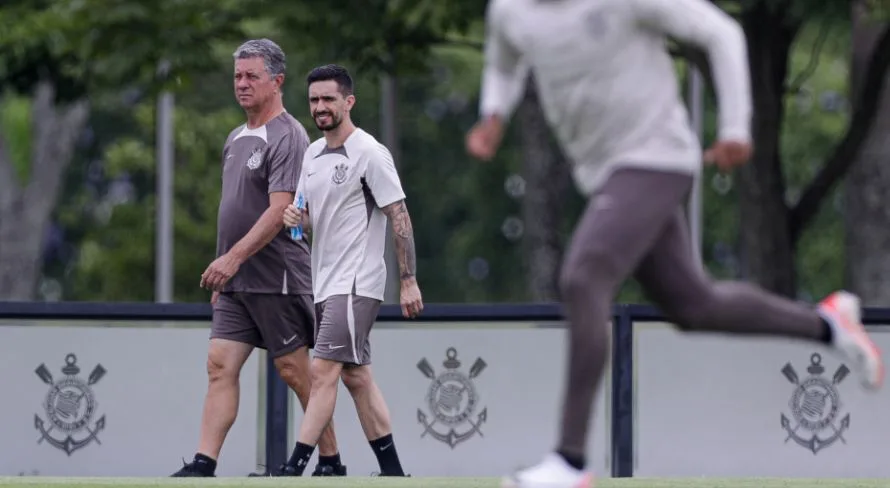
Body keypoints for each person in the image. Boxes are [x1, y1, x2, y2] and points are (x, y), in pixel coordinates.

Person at [465, 1, 885, 487]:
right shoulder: (510, 11)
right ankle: (828, 324)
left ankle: (570, 462)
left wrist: (734, 128)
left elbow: (721, 33)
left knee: (584, 278)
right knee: (695, 305)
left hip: (657, 158)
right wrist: (494, 112)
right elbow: (503, 64)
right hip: (605, 175)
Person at [171, 39, 346, 478]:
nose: (242, 84)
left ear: (277, 81)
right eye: (238, 76)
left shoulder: (288, 135)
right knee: (219, 366)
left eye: (252, 76)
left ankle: (331, 460)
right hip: (235, 281)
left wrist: (231, 260)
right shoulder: (235, 138)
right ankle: (203, 463)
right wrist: (222, 271)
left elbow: (277, 211)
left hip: (278, 274)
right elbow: (230, 212)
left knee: (293, 370)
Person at [277, 63, 421, 477]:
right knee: (357, 378)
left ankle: (295, 467)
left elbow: (399, 214)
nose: (320, 107)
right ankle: (393, 474)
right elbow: (306, 217)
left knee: (321, 372)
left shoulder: (370, 152)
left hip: (357, 283)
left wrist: (408, 281)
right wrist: (295, 219)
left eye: (328, 99)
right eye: (314, 100)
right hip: (324, 283)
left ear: (349, 102)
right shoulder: (312, 153)